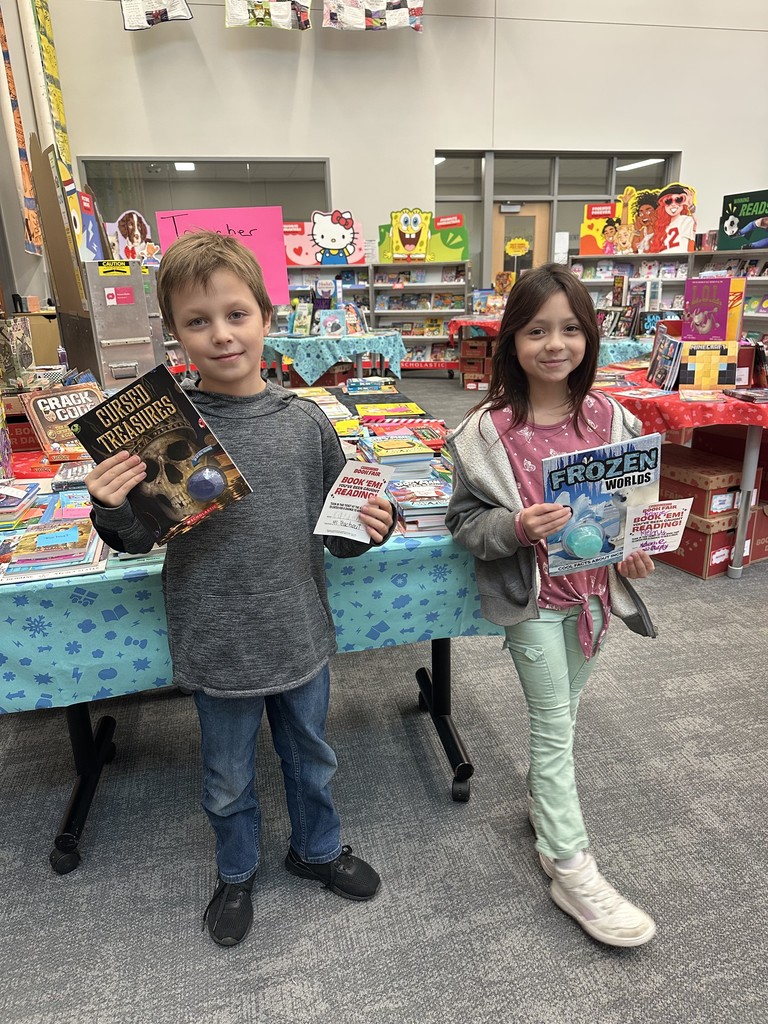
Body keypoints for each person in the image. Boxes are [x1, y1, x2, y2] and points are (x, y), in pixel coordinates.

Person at [85, 231, 394, 948]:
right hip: (216, 640)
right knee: (226, 779)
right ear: (175, 334)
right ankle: (236, 870)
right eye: (198, 321)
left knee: (312, 757)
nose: (221, 335)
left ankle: (316, 849)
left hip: (301, 634)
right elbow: (134, 537)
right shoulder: (164, 432)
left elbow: (339, 529)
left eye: (236, 314)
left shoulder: (306, 421)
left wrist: (373, 522)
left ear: (265, 315)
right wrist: (109, 504)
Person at [445, 263, 658, 948]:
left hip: (595, 599)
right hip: (534, 603)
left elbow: (630, 507)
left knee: (566, 714)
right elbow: (465, 524)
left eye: (570, 329)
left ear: (592, 337)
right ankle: (573, 866)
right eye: (538, 330)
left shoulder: (610, 417)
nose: (555, 344)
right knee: (553, 726)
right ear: (513, 339)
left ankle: (546, 818)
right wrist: (516, 527)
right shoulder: (488, 431)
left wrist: (631, 547)